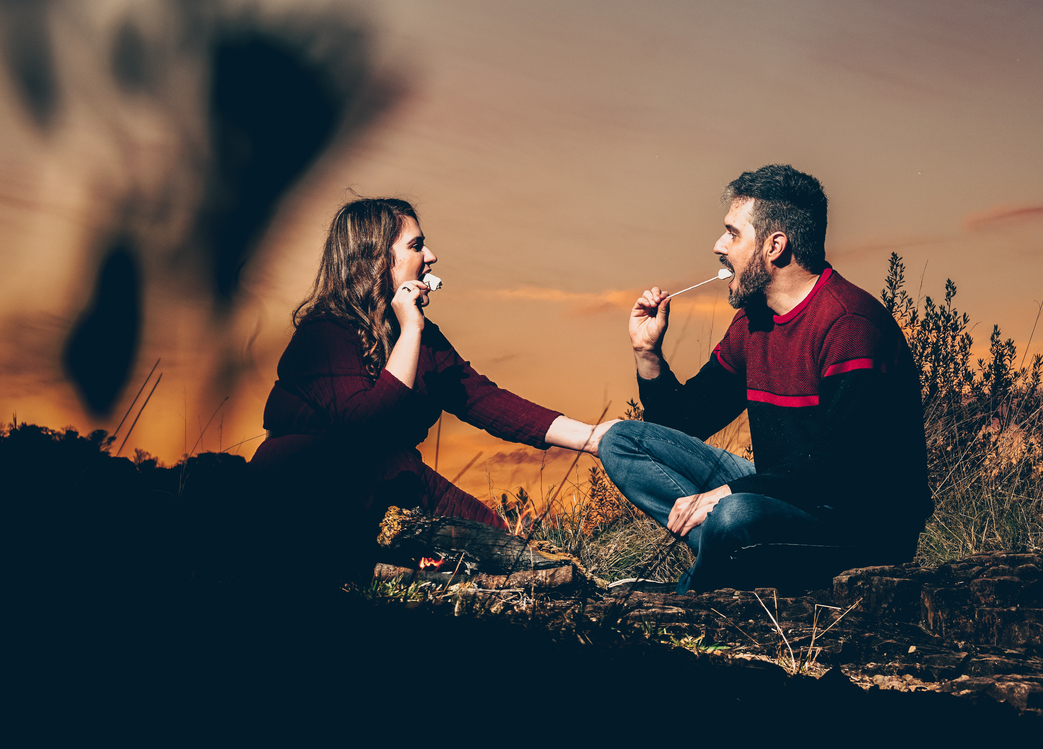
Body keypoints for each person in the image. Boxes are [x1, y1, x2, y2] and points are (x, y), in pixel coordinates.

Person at [598, 165, 932, 594]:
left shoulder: (849, 325)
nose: (718, 246)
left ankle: (688, 596)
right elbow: (681, 424)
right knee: (623, 441)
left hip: (859, 528)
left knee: (735, 515)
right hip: (783, 497)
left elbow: (846, 467)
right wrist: (648, 354)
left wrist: (726, 494)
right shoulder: (752, 325)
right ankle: (734, 560)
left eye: (733, 234)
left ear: (775, 246)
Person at [251, 197, 616, 539]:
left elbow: (484, 399)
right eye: (415, 246)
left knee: (502, 542)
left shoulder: (424, 339)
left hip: (398, 479)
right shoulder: (325, 333)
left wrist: (591, 437)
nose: (431, 256)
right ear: (376, 259)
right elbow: (364, 427)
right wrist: (411, 328)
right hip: (307, 490)